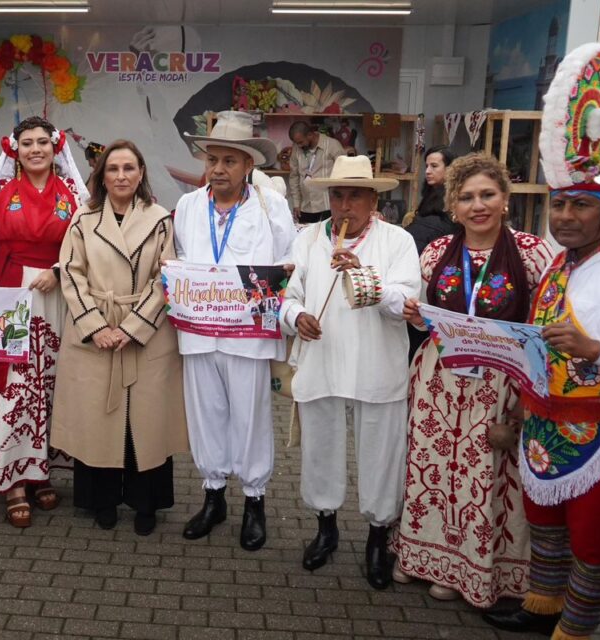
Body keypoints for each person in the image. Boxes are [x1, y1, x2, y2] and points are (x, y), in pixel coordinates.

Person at [483, 43, 600, 639]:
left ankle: (580, 624)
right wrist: (518, 410)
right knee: (544, 520)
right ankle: (543, 604)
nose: (564, 216)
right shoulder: (558, 266)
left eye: (580, 206)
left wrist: (595, 350)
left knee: (592, 534)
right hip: (544, 421)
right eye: (559, 203)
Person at [397, 153, 553, 606]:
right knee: (431, 471)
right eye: (466, 197)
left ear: (505, 199)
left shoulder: (531, 251)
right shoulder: (435, 253)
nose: (477, 205)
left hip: (499, 384)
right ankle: (424, 557)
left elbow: (541, 323)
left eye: (487, 194)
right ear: (453, 206)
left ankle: (475, 571)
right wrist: (417, 316)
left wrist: (527, 398)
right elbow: (429, 319)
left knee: (483, 477)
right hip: (439, 381)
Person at [280, 155, 419, 587]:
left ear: (373, 198)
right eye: (338, 195)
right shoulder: (306, 239)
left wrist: (363, 276)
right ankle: (326, 528)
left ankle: (378, 537)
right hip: (323, 361)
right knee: (321, 448)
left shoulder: (397, 241)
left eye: (355, 195)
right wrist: (296, 315)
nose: (344, 205)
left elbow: (404, 303)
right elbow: (287, 294)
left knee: (381, 452)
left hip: (376, 365)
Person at [51, 139, 188, 535]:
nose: (121, 176)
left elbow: (167, 279)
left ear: (141, 173)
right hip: (94, 333)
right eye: (113, 169)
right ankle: (102, 501)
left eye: (129, 168)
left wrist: (131, 328)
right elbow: (71, 273)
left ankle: (147, 504)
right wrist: (96, 327)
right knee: (98, 419)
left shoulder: (161, 219)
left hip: (147, 334)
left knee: (146, 421)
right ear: (101, 175)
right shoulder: (83, 218)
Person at [173, 111, 296, 550]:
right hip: (199, 331)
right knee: (206, 414)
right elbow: (182, 260)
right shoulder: (188, 207)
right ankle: (213, 496)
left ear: (249, 166)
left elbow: (290, 265)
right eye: (213, 160)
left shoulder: (271, 207)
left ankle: (254, 500)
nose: (219, 169)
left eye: (229, 160)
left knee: (249, 417)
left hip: (249, 335)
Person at [0, 116, 89, 527]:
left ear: (56, 149)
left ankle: (41, 472)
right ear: (13, 150)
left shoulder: (73, 195)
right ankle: (14, 479)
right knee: (15, 386)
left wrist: (58, 270)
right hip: (11, 297)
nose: (35, 149)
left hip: (57, 296)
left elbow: (86, 249)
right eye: (27, 143)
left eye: (43, 142)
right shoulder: (0, 194)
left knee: (50, 382)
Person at [403, 145, 459, 361]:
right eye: (426, 166)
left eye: (434, 166)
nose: (427, 171)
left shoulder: (445, 209)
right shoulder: (430, 200)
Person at [288, 121, 345, 224]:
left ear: (310, 135)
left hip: (328, 207)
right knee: (306, 238)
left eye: (300, 142)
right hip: (305, 207)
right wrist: (296, 203)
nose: (298, 146)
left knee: (328, 239)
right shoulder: (296, 149)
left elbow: (345, 174)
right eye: (296, 143)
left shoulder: (332, 145)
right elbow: (294, 177)